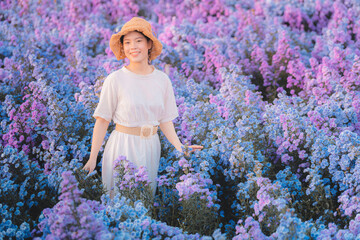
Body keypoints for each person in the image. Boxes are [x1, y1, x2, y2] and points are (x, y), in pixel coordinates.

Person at [82, 17, 203, 198]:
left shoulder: (162, 79)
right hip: (122, 145)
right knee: (118, 202)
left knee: (144, 203)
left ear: (149, 44)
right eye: (128, 42)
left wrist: (181, 147)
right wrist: (92, 158)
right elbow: (102, 120)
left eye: (138, 41)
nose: (133, 47)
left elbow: (164, 120)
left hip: (151, 146)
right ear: (123, 48)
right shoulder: (115, 79)